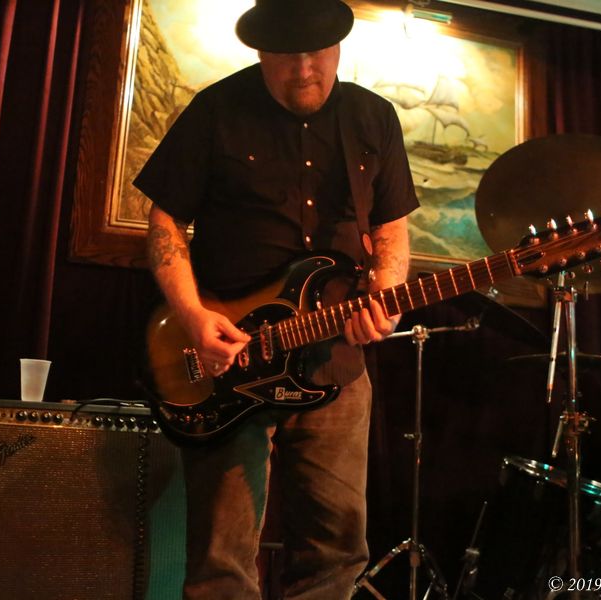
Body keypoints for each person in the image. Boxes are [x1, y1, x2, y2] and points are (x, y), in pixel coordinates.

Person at [133, 1, 419, 598]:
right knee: (220, 560)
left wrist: (386, 300)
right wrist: (193, 317)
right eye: (288, 56)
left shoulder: (373, 117)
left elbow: (391, 226)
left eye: (317, 53)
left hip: (335, 358)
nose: (305, 69)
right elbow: (165, 220)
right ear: (262, 51)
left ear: (338, 46)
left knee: (337, 553)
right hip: (231, 360)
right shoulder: (217, 109)